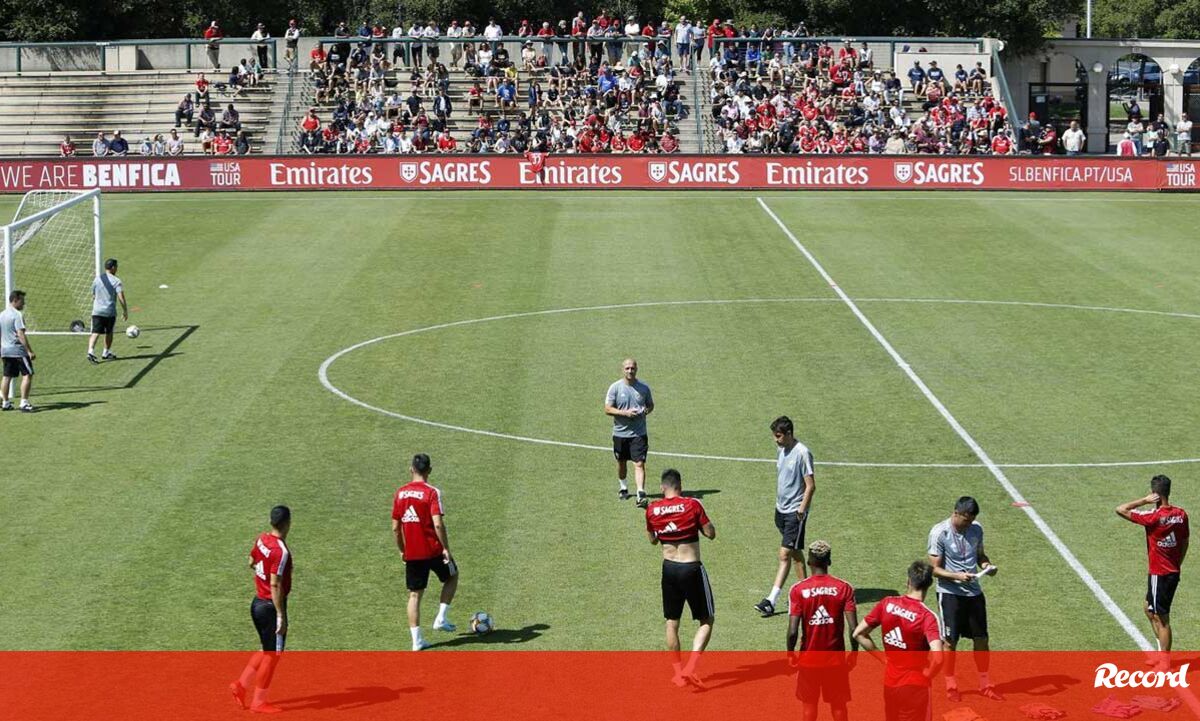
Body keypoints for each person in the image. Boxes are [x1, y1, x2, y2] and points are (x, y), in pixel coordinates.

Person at [645, 468, 715, 688]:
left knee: (672, 622)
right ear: (680, 486)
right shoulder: (692, 505)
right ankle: (691, 667)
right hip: (691, 568)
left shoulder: (652, 509)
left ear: (662, 487)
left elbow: (652, 540)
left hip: (669, 569)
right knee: (707, 620)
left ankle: (678, 674)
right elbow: (711, 533)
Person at [928, 496, 1001, 702]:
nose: (969, 524)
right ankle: (951, 684)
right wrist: (957, 576)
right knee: (950, 641)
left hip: (974, 593)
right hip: (950, 593)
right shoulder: (939, 533)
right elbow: (934, 569)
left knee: (982, 639)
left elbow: (980, 556)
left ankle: (985, 683)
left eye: (972, 520)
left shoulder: (976, 529)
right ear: (956, 513)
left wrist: (986, 566)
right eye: (966, 520)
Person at [853, 562, 945, 721]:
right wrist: (928, 675)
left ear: (908, 581)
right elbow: (938, 658)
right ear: (929, 584)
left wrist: (883, 658)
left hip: (890, 683)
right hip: (915, 686)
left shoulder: (887, 603)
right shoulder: (927, 617)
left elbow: (858, 634)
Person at [1116, 475, 1189, 667]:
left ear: (1154, 493)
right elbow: (1185, 542)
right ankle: (1160, 652)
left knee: (1161, 619)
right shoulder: (1181, 515)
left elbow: (1121, 509)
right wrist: (1177, 563)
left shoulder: (1153, 517)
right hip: (1171, 572)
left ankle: (1164, 662)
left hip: (1160, 574)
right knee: (1148, 608)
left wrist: (1143, 500)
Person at [230, 505, 293, 713]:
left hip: (257, 603)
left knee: (266, 649)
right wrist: (281, 615)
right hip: (270, 607)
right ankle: (259, 702)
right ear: (287, 524)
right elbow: (275, 584)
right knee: (272, 655)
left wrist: (262, 576)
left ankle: (240, 685)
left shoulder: (262, 539)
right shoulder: (281, 551)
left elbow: (251, 562)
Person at [391, 453, 458, 651]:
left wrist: (402, 550)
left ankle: (416, 641)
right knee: (452, 576)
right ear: (429, 470)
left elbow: (395, 528)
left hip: (412, 553)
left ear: (411, 469)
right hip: (433, 550)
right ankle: (441, 618)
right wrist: (445, 548)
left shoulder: (400, 493)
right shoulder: (432, 493)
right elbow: (438, 524)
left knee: (414, 595)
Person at [787, 540, 857, 721]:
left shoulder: (798, 590)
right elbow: (853, 628)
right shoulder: (844, 588)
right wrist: (854, 653)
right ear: (829, 561)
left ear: (809, 562)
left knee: (809, 706)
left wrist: (790, 653)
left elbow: (793, 631)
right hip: (835, 660)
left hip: (808, 659)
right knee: (839, 706)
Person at [755, 415, 815, 617]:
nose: (776, 440)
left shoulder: (803, 453)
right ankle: (806, 595)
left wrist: (801, 510)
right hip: (780, 510)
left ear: (789, 433)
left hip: (795, 513)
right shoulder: (781, 450)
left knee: (784, 554)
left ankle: (771, 601)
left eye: (779, 436)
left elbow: (810, 486)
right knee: (796, 553)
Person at [604, 357, 654, 507]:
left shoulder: (644, 388)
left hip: (639, 434)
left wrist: (645, 411)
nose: (630, 371)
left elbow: (650, 405)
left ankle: (640, 493)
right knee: (621, 463)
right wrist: (625, 413)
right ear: (623, 370)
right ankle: (623, 487)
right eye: (627, 368)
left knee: (639, 463)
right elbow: (607, 409)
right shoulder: (615, 388)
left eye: (632, 368)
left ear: (636, 369)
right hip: (620, 433)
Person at [86, 258, 127, 364]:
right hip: (109, 312)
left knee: (95, 332)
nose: (117, 268)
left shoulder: (97, 279)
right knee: (109, 332)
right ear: (112, 268)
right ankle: (106, 352)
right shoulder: (116, 281)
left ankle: (90, 351)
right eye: (116, 266)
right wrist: (125, 310)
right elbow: (121, 297)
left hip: (97, 311)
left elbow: (93, 294)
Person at [0, 290, 34, 412]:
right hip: (18, 351)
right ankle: (24, 403)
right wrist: (29, 351)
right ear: (15, 300)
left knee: (7, 376)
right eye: (22, 301)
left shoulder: (2, 315)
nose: (23, 304)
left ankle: (5, 403)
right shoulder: (17, 315)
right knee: (28, 374)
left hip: (5, 350)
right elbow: (20, 334)